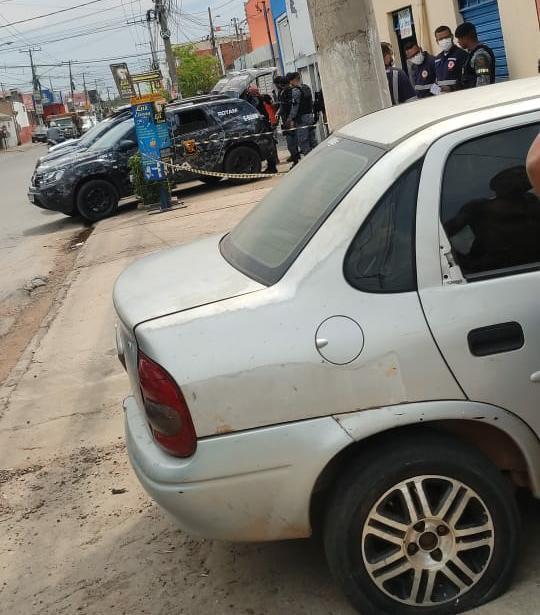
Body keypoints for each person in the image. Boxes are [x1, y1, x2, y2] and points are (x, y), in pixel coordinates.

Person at [245, 85, 278, 173]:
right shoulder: (260, 98)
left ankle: (272, 167)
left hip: (263, 125)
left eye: (250, 91)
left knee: (267, 145)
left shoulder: (256, 100)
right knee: (269, 145)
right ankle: (272, 166)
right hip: (264, 124)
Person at [455, 21, 496, 88]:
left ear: (465, 38)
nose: (458, 42)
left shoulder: (480, 56)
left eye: (459, 39)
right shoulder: (471, 54)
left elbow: (483, 84)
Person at [287, 72, 317, 160]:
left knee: (303, 141)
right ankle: (317, 158)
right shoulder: (306, 87)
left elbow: (295, 107)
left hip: (302, 119)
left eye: (290, 81)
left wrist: (290, 118)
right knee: (313, 140)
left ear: (292, 80)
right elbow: (311, 102)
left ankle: (310, 161)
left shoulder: (296, 91)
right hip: (310, 116)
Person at [433, 25, 468, 94]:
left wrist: (451, 88)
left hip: (458, 96)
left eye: (446, 37)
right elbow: (437, 80)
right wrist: (435, 91)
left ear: (452, 36)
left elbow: (467, 80)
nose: (444, 41)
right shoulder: (437, 59)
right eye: (441, 39)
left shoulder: (462, 54)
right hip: (442, 98)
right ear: (437, 41)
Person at [274, 75, 299, 165]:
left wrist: (289, 118)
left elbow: (287, 106)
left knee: (291, 141)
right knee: (292, 140)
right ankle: (295, 157)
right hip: (288, 119)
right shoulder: (287, 91)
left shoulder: (286, 92)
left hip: (289, 120)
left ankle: (295, 159)